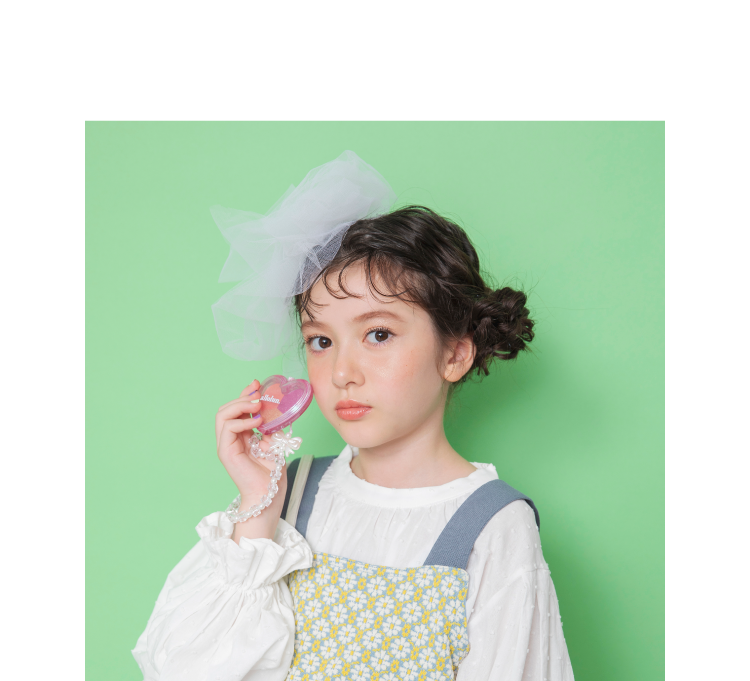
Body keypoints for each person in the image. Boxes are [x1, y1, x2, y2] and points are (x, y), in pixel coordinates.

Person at [132, 152, 575, 680]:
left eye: (378, 334)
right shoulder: (289, 492)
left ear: (455, 353)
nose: (342, 371)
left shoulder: (493, 524)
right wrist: (256, 506)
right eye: (320, 341)